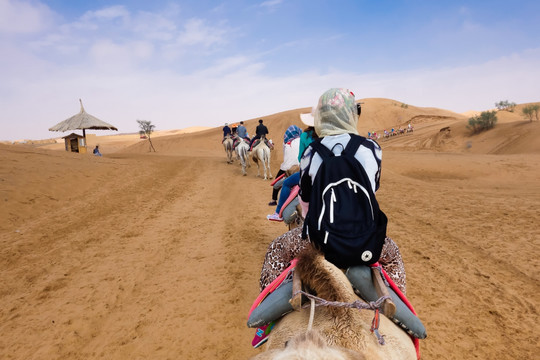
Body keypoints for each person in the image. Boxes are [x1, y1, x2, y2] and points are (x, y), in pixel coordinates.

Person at [259, 88, 406, 295]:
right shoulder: (371, 148)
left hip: (320, 242)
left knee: (276, 250)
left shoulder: (311, 152)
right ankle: (399, 314)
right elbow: (372, 190)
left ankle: (265, 315)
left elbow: (306, 201)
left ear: (322, 118)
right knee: (393, 256)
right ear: (351, 115)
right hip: (365, 240)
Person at [267, 113, 318, 221]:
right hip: (326, 170)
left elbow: (301, 157)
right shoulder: (325, 134)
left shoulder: (304, 136)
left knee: (286, 183)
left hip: (308, 171)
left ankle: (277, 212)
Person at [267, 125, 301, 210]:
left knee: (276, 183)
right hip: (300, 166)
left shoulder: (285, 142)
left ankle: (274, 200)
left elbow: (285, 155)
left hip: (287, 167)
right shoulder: (302, 140)